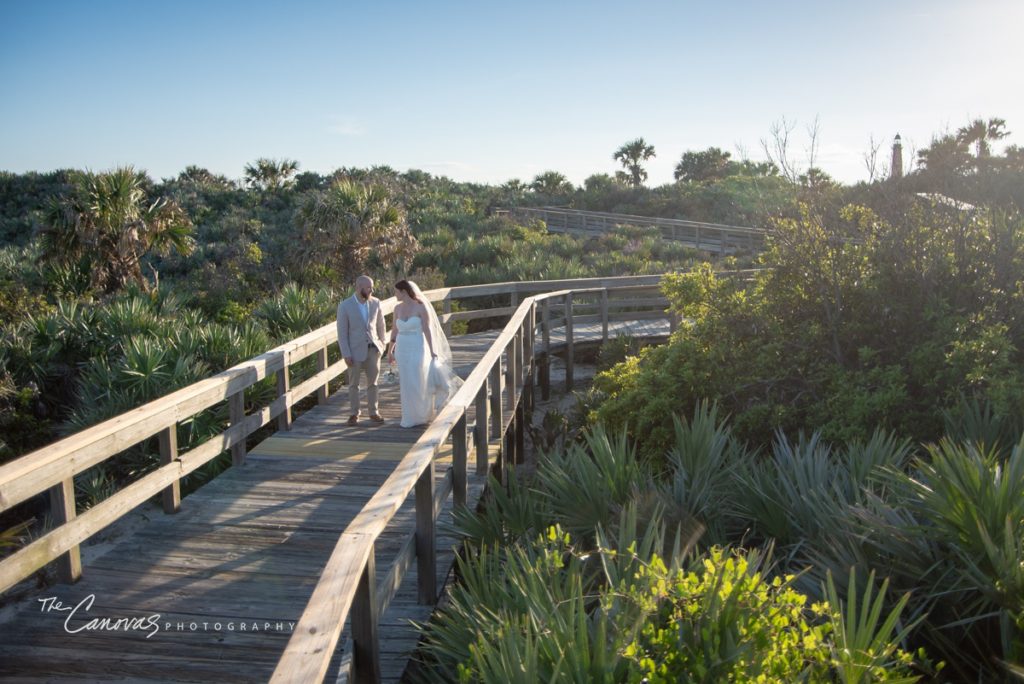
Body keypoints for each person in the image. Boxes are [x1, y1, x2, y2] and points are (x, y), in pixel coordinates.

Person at [387, 280, 464, 428]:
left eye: (396, 291)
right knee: (406, 382)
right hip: (402, 348)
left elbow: (428, 329)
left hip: (417, 345)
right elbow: (394, 330)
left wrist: (433, 350)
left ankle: (423, 414)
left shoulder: (421, 307)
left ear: (404, 292)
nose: (395, 294)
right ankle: (409, 416)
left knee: (418, 379)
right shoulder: (397, 308)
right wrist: (390, 350)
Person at [337, 275, 387, 425]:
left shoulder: (376, 303)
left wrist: (382, 345)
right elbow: (342, 333)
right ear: (358, 288)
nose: (371, 290)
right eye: (368, 287)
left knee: (373, 383)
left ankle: (374, 412)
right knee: (354, 384)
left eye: (372, 287)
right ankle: (354, 414)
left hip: (373, 350)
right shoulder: (345, 306)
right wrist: (346, 353)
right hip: (354, 351)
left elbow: (381, 326)